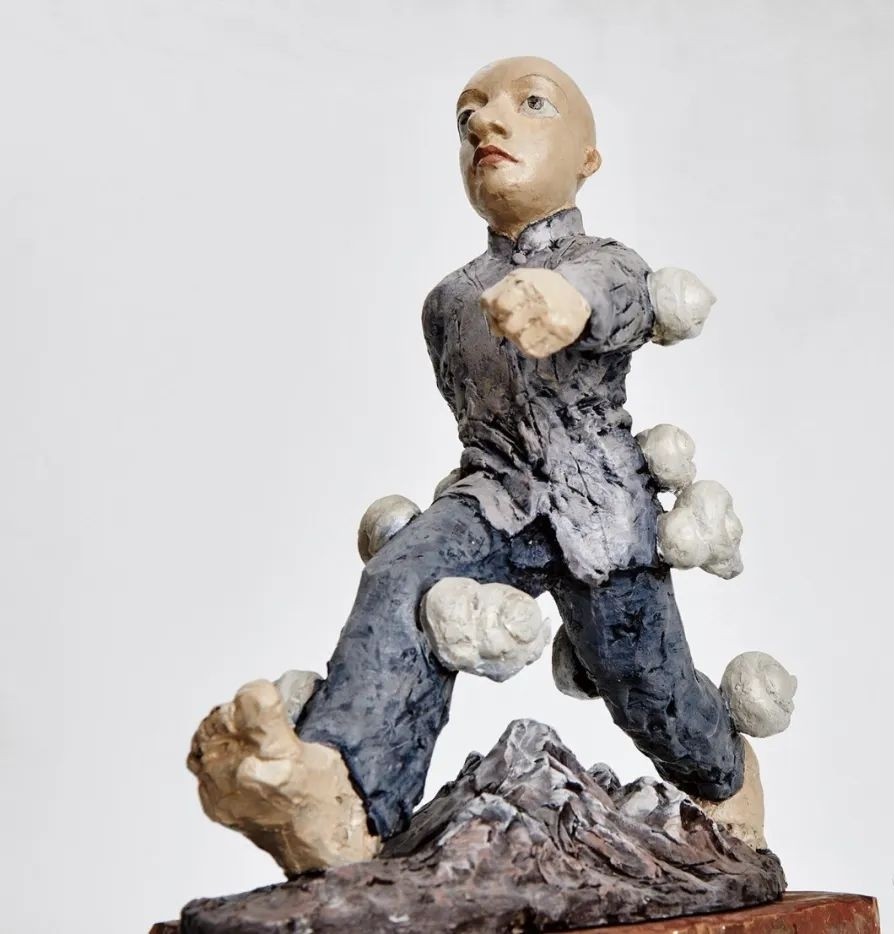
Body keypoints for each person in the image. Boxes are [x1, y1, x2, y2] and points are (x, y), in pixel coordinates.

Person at [188, 57, 762, 877]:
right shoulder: (448, 302)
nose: (487, 124)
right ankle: (347, 795)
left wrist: (566, 303)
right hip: (492, 498)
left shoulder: (604, 262)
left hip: (599, 517)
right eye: (468, 119)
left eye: (531, 105)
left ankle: (727, 783)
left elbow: (619, 295)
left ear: (588, 158)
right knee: (402, 578)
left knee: (647, 687)